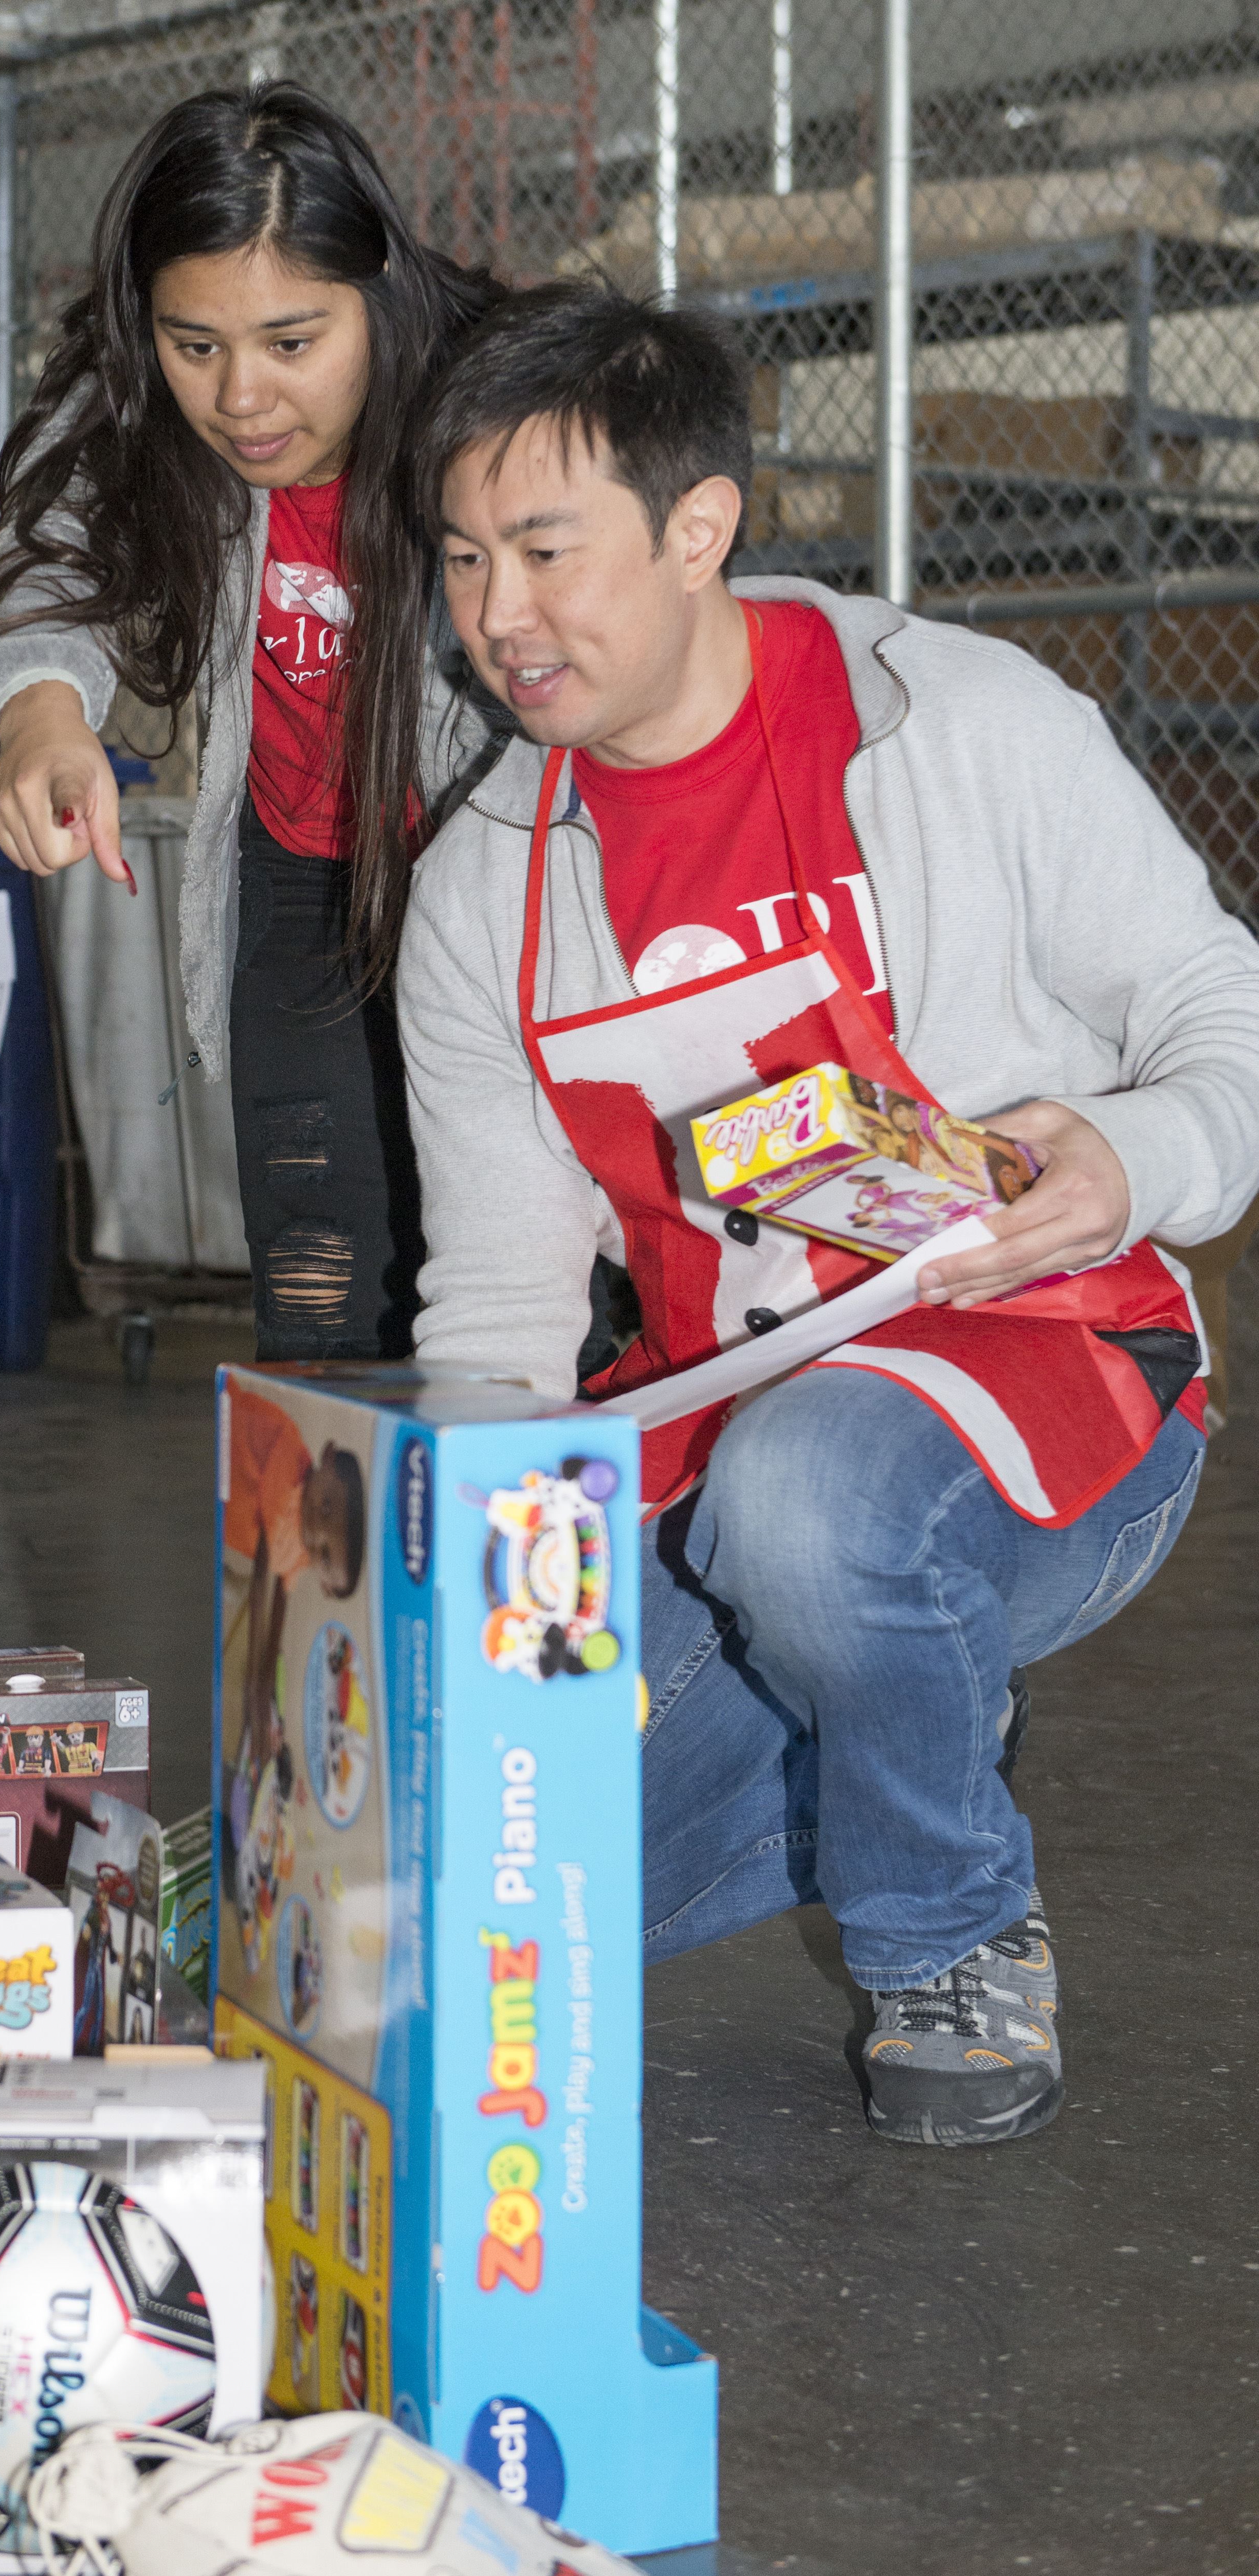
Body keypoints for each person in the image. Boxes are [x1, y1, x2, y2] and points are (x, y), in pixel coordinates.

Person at [396, 285, 1259, 2147]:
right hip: (705, 1432)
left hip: (1047, 1381)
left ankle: (944, 1923)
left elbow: (1220, 1011)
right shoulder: (481, 889)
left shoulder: (960, 727)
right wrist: (453, 1618)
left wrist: (1129, 1152)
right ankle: (886, 1717)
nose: (496, 619)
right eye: (463, 559)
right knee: (446, 1900)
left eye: (545, 551)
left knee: (812, 1499)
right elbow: (490, 1314)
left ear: (696, 527)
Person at [0, 83, 504, 1359]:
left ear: (381, 291)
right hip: (300, 884)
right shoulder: (141, 403)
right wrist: (41, 715)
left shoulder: (498, 397)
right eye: (195, 345)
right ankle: (339, 1554)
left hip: (501, 897)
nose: (241, 396)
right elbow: (54, 546)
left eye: (293, 342)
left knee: (515, 1278)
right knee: (319, 1296)